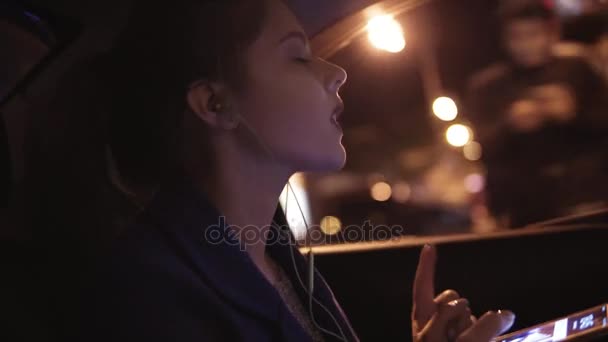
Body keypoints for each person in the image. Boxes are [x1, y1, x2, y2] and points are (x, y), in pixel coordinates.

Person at [28, 0, 516, 341]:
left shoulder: (275, 257)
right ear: (215, 103)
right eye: (298, 56)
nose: (336, 72)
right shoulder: (147, 295)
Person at [466, 0, 608, 228]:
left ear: (553, 33)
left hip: (584, 197)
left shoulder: (578, 68)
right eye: (517, 36)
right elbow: (481, 148)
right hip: (523, 207)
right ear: (504, 39)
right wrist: (510, 124)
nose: (526, 44)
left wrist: (573, 112)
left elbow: (602, 123)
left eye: (533, 34)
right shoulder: (489, 86)